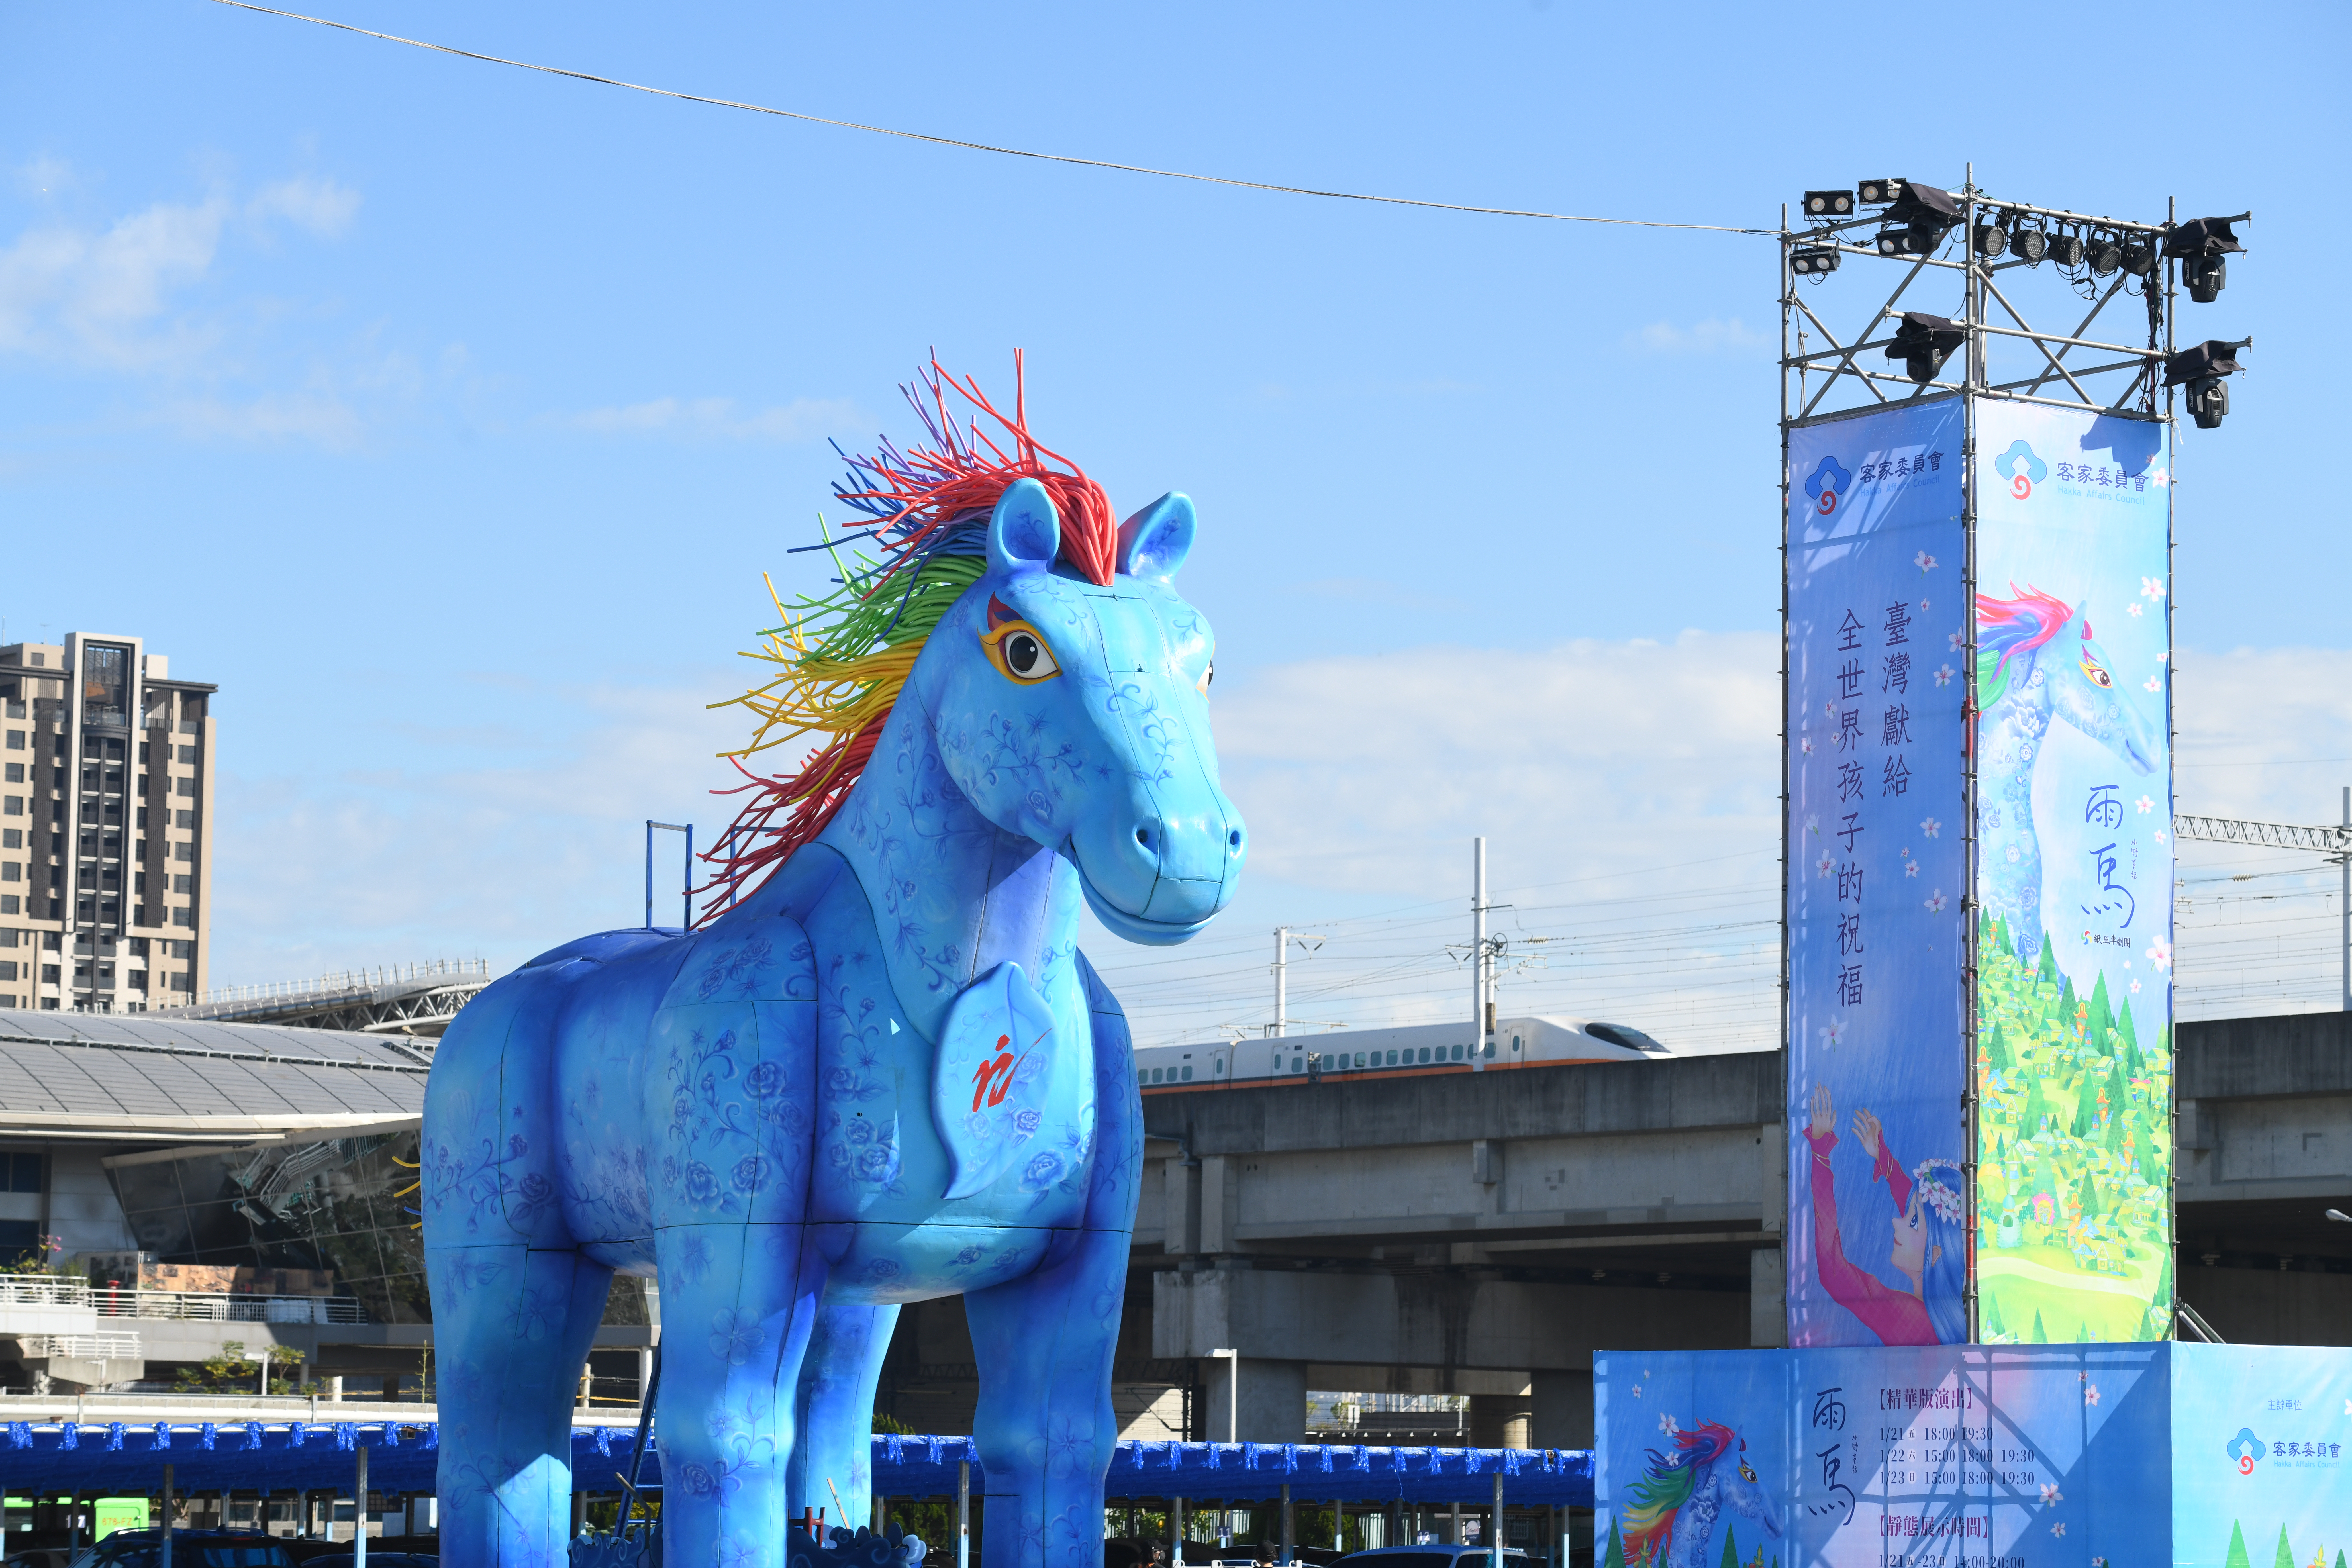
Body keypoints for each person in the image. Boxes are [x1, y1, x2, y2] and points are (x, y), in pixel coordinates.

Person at [1802, 1081, 1967, 1344]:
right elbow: (1925, 1219)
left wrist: (1820, 1154)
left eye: (1911, 1221)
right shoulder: (1951, 1317)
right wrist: (1885, 1161)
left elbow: (1832, 1267)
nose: (1895, 1220)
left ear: (1935, 1255)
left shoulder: (1907, 1317)